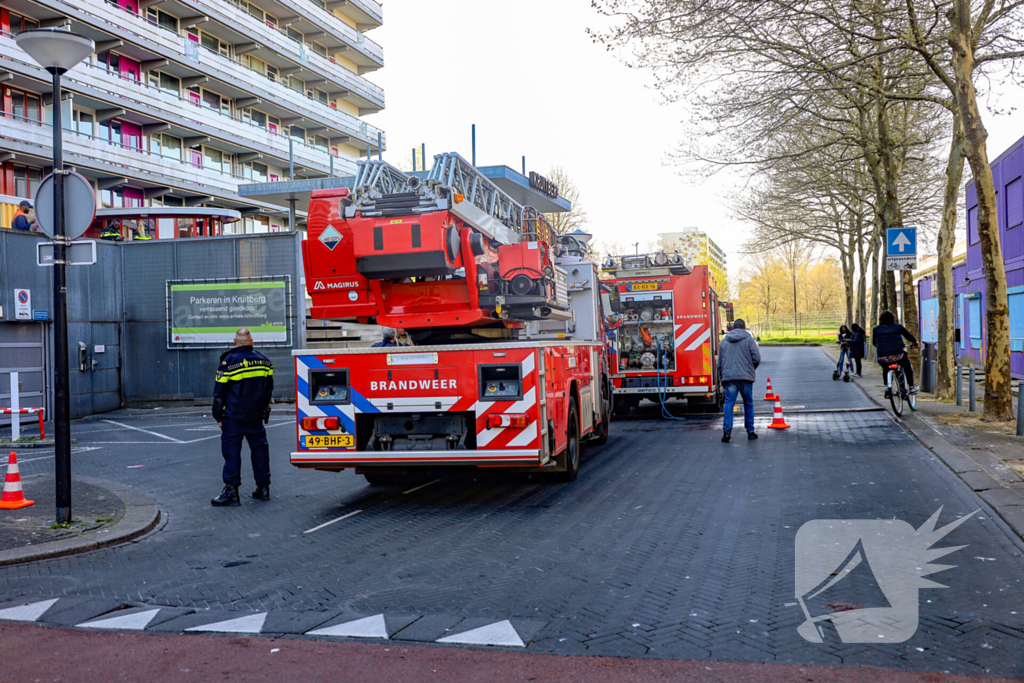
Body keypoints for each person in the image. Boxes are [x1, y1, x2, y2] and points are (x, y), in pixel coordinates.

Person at [211, 327, 274, 506]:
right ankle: (263, 488)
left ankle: (231, 492)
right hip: (255, 416)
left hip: (233, 416)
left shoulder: (228, 363)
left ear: (234, 341)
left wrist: (218, 416)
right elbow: (268, 390)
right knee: (260, 451)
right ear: (252, 342)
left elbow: (219, 393)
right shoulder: (265, 362)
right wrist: (262, 409)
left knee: (232, 453)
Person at [718, 318, 762, 443]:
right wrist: (751, 369)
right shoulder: (749, 339)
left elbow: (719, 362)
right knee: (748, 403)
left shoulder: (724, 341)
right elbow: (757, 357)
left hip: (730, 378)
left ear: (732, 328)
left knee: (729, 404)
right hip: (745, 378)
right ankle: (750, 432)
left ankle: (727, 433)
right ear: (744, 327)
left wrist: (722, 378)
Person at [872, 311, 918, 394]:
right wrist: (915, 342)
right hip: (898, 355)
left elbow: (874, 343)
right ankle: (911, 386)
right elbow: (908, 336)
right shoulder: (898, 327)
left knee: (886, 368)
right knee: (907, 365)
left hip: (883, 356)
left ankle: (887, 386)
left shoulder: (876, 329)